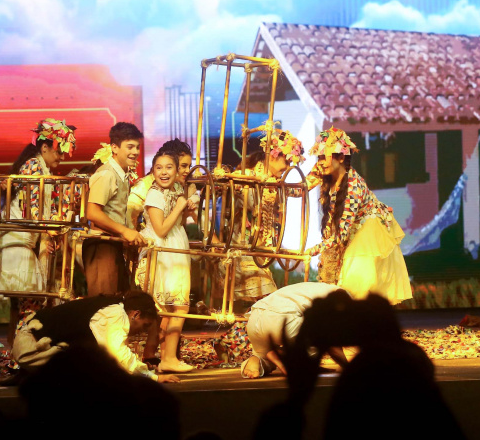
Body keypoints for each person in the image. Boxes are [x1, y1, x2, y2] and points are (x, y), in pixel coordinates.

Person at [0, 119, 78, 343]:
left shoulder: (41, 168)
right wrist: (50, 229)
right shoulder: (33, 167)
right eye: (59, 151)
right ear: (45, 147)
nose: (62, 157)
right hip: (17, 242)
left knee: (29, 306)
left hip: (25, 241)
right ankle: (23, 351)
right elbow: (32, 210)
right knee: (31, 306)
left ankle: (20, 352)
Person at [308, 127, 412, 304]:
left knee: (356, 280)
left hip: (366, 231)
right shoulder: (323, 169)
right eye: (319, 157)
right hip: (346, 230)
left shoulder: (353, 187)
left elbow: (342, 233)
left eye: (325, 157)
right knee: (330, 275)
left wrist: (314, 249)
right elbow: (300, 188)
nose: (321, 162)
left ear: (341, 158)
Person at [212, 121, 307, 307]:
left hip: (259, 253)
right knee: (266, 300)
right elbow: (218, 190)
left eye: (291, 163)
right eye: (287, 161)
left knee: (258, 305)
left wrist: (320, 171)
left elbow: (299, 191)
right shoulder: (246, 176)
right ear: (272, 155)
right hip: (241, 250)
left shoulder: (277, 183)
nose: (288, 167)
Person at [11, 289, 181, 383]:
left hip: (35, 338)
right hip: (32, 345)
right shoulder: (115, 315)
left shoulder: (114, 308)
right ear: (135, 314)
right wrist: (153, 377)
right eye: (144, 325)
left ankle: (38, 375)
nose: (142, 332)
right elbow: (119, 355)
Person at [136, 150, 194, 373]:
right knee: (178, 306)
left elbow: (178, 222)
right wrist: (179, 207)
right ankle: (168, 357)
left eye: (169, 167)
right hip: (163, 252)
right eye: (158, 168)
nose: (164, 172)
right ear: (152, 171)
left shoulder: (176, 189)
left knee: (171, 308)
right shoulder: (155, 194)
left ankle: (157, 355)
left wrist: (186, 208)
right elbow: (160, 229)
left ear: (176, 170)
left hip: (175, 248)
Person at [83, 122, 146, 296]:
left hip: (112, 243)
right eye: (130, 147)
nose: (135, 152)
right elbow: (92, 212)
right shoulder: (107, 173)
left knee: (118, 301)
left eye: (137, 147)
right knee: (105, 304)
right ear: (114, 148)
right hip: (101, 245)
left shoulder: (122, 174)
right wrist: (125, 231)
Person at [241, 282, 349, 379]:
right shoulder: (342, 298)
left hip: (254, 319)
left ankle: (256, 360)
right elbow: (332, 344)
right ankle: (283, 355)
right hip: (280, 319)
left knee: (264, 357)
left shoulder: (319, 289)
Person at [128, 138, 196, 230]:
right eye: (184, 166)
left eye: (189, 166)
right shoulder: (144, 186)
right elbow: (129, 216)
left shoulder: (184, 186)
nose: (188, 171)